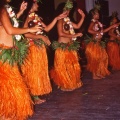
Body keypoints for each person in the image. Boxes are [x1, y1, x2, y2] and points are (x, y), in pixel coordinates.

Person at [0, 0, 41, 119]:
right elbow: (10, 30)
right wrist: (29, 30)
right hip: (3, 54)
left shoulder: (4, 9)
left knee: (9, 87)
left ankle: (7, 113)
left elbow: (8, 24)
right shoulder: (2, 9)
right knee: (6, 87)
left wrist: (20, 12)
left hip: (8, 52)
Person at [21, 0, 67, 104]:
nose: (38, 5)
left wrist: (56, 18)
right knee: (33, 71)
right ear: (32, 5)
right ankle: (33, 96)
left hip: (39, 48)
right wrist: (40, 36)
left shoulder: (36, 16)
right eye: (36, 3)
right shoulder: (29, 16)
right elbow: (25, 34)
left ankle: (35, 94)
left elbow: (47, 28)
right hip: (32, 47)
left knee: (38, 71)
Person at [50, 0, 85, 91]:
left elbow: (77, 26)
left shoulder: (68, 20)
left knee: (71, 65)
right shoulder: (60, 20)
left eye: (69, 10)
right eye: (66, 10)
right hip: (63, 46)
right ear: (62, 10)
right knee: (63, 67)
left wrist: (83, 17)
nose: (68, 12)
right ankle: (64, 85)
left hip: (70, 45)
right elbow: (61, 33)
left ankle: (71, 82)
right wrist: (74, 35)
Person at [85, 4, 118, 80]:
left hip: (98, 43)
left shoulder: (97, 22)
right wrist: (97, 32)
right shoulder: (93, 22)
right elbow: (89, 30)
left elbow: (103, 31)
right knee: (95, 59)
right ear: (93, 15)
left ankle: (98, 73)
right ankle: (94, 75)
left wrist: (111, 27)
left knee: (100, 59)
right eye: (97, 13)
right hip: (94, 43)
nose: (98, 14)